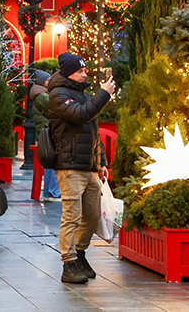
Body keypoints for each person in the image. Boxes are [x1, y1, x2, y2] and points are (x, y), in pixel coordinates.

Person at [47, 52, 115, 285]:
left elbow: (92, 130)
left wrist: (101, 161)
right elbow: (80, 115)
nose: (85, 74)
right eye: (80, 71)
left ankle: (81, 254)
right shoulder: (58, 95)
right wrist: (104, 94)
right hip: (69, 165)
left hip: (88, 165)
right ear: (69, 73)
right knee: (72, 216)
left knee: (93, 214)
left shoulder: (81, 93)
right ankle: (68, 263)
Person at [28, 69, 60, 202]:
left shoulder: (40, 94)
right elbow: (54, 108)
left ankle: (48, 191)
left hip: (44, 130)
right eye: (48, 80)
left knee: (48, 160)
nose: (50, 82)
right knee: (53, 160)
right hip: (48, 130)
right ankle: (53, 191)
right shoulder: (42, 95)